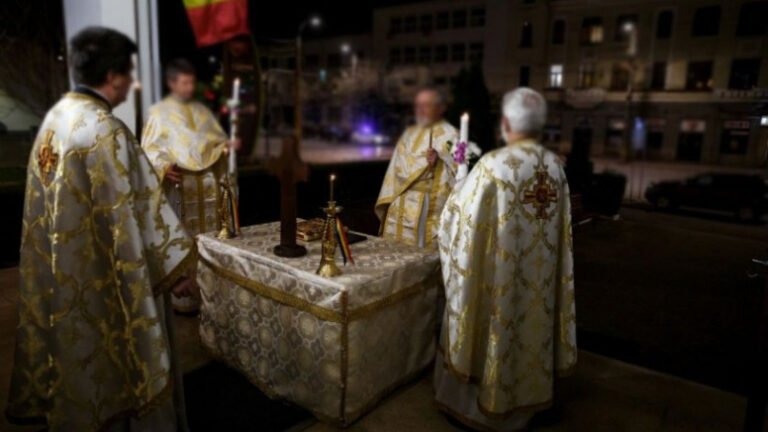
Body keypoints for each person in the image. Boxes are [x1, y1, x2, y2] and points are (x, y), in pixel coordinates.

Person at [6, 27, 193, 432]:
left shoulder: (55, 120)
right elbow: (138, 211)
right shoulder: (106, 131)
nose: (132, 81)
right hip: (106, 279)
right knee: (122, 361)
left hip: (63, 273)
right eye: (129, 72)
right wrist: (175, 269)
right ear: (113, 75)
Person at [434, 88, 576, 431]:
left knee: (494, 323)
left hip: (499, 280)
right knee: (531, 327)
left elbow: (460, 222)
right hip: (538, 281)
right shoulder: (555, 167)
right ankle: (529, 401)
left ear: (507, 122)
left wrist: (457, 190)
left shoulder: (493, 166)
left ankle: (477, 407)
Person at [141, 58, 239, 313]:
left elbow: (214, 142)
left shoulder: (201, 111)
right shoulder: (159, 114)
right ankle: (185, 299)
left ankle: (213, 298)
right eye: (184, 83)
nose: (189, 88)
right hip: (181, 189)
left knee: (211, 240)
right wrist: (163, 166)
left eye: (192, 83)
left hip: (208, 188)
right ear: (172, 83)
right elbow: (149, 150)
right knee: (184, 239)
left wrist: (225, 147)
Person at [375, 88, 458, 248]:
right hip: (401, 199)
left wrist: (440, 162)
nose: (420, 110)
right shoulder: (409, 134)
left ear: (440, 108)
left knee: (421, 252)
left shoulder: (451, 135)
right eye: (418, 105)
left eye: (426, 105)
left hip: (428, 205)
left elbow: (466, 169)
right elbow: (395, 169)